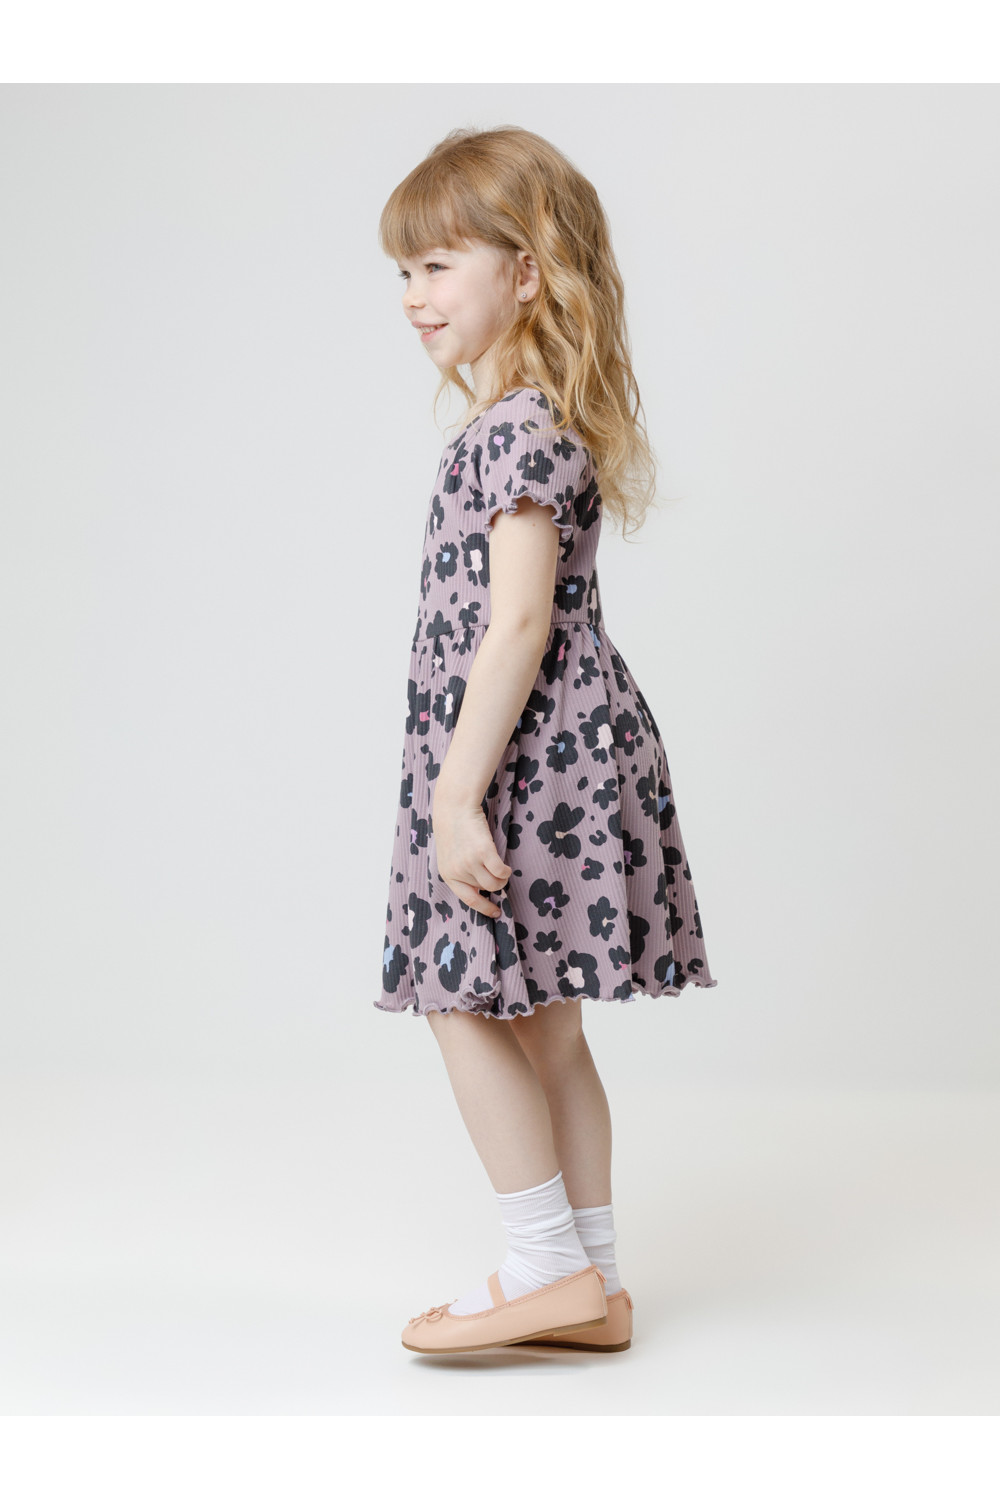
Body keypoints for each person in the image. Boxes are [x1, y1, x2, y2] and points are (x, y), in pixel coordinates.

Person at [375, 126, 718, 1355]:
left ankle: (543, 1267)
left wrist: (455, 794)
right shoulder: (541, 421)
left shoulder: (511, 432)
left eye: (437, 265)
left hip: (522, 765)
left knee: (459, 998)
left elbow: (517, 620)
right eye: (403, 271)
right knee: (550, 1030)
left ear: (525, 273)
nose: (412, 296)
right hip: (567, 751)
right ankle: (597, 1287)